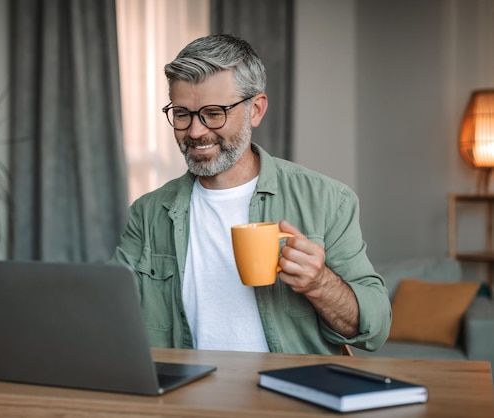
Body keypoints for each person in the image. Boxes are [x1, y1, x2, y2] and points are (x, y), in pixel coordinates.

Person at [109, 33, 391, 355]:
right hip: (184, 399)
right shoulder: (148, 212)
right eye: (183, 114)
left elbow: (375, 330)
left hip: (290, 399)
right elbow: (109, 308)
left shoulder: (328, 200)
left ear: (256, 110)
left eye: (214, 113)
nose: (196, 132)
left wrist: (320, 283)